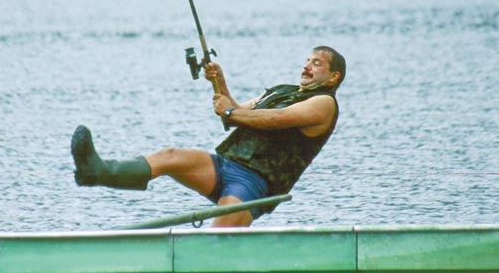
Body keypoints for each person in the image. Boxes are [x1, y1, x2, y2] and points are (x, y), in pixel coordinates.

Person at [71, 45, 345, 227]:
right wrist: (220, 82)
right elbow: (237, 110)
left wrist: (229, 113)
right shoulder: (280, 90)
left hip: (254, 184)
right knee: (170, 156)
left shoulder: (324, 103)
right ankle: (96, 171)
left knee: (219, 234)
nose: (307, 66)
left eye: (317, 63)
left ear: (333, 77)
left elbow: (275, 119)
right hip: (225, 165)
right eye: (307, 61)